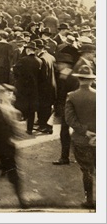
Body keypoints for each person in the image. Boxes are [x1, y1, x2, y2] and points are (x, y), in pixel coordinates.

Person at [65, 65, 96, 209]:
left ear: (79, 79)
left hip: (81, 140)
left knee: (87, 170)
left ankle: (89, 199)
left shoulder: (71, 96)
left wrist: (84, 131)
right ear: (91, 80)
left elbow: (69, 119)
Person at [12, 41, 42, 134]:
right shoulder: (39, 61)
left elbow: (15, 72)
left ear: (28, 50)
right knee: (31, 109)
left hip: (22, 88)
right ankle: (29, 129)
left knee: (20, 106)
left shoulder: (23, 60)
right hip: (34, 88)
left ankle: (15, 127)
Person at [35, 39, 57, 134]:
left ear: (39, 49)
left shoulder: (42, 59)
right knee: (47, 106)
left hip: (44, 86)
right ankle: (45, 125)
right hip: (52, 85)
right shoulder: (51, 57)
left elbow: (43, 76)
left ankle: (43, 125)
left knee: (43, 107)